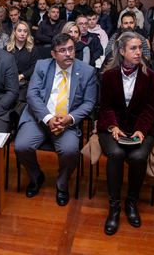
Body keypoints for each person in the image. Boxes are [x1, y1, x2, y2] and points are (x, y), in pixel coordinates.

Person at [15, 33, 97, 206]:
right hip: (39, 117)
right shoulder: (42, 66)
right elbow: (32, 95)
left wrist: (70, 118)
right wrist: (48, 118)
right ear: (53, 54)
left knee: (69, 151)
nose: (68, 54)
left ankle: (62, 185)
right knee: (21, 146)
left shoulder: (86, 71)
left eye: (71, 49)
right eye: (62, 50)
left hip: (67, 122)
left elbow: (89, 103)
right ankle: (36, 177)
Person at [97, 32, 154, 235]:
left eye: (140, 48)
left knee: (138, 156)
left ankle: (131, 202)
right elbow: (105, 107)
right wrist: (113, 127)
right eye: (133, 48)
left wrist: (141, 131)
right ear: (122, 51)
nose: (138, 52)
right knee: (116, 154)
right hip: (112, 126)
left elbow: (151, 108)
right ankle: (114, 207)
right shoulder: (108, 76)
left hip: (141, 127)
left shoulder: (150, 76)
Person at [6, 21, 38, 102]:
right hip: (8, 82)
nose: (22, 33)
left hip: (25, 83)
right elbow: (3, 67)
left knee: (20, 100)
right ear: (14, 32)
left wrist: (21, 76)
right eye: (19, 31)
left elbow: (34, 67)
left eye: (25, 31)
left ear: (28, 34)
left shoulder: (32, 49)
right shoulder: (7, 49)